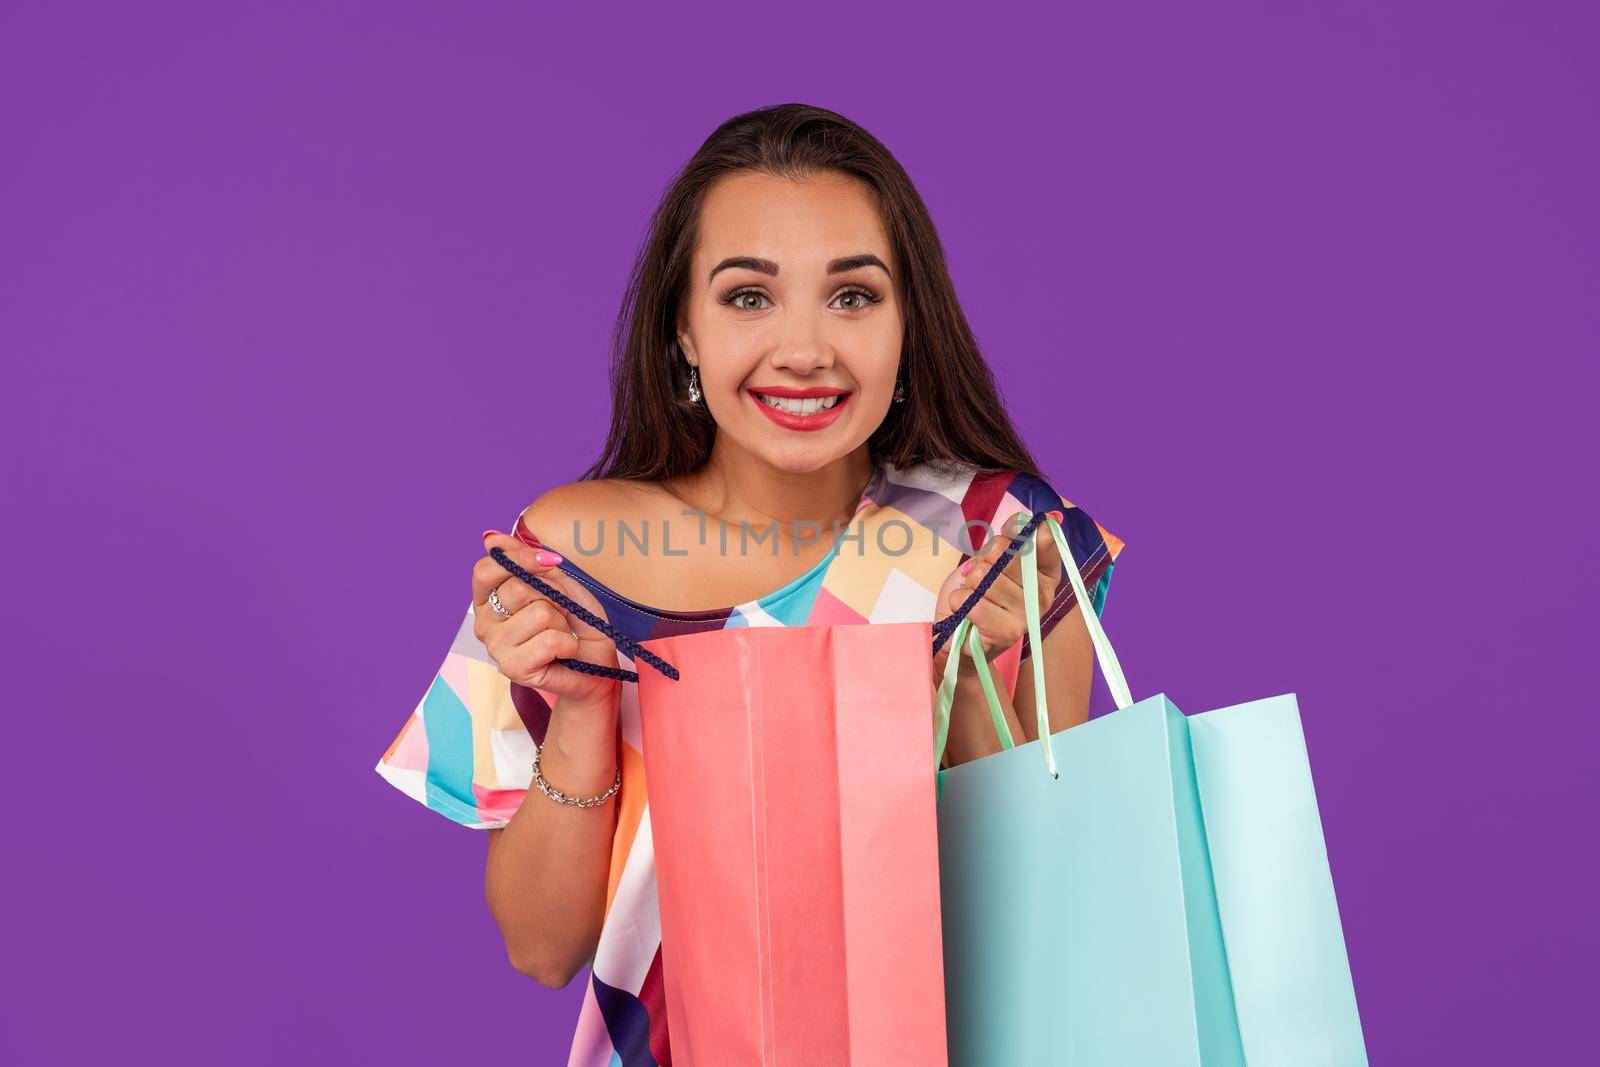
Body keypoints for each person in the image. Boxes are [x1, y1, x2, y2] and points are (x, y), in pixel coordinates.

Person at [373, 102, 1126, 1067]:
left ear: (909, 328)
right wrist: (584, 706)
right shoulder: (567, 553)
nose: (805, 350)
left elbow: (1041, 928)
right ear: (682, 328)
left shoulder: (1003, 537)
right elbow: (541, 948)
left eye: (852, 296)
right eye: (748, 297)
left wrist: (967, 675)